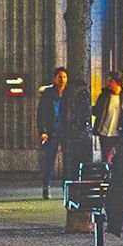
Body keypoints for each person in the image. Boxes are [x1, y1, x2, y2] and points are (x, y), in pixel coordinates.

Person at [37, 66, 72, 199]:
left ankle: (66, 189)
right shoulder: (48, 93)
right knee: (49, 160)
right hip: (52, 131)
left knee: (67, 162)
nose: (62, 80)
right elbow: (41, 114)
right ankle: (46, 187)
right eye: (59, 77)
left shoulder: (70, 93)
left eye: (64, 77)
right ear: (54, 79)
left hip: (66, 131)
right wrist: (43, 131)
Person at [93, 72, 123, 164]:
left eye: (110, 81)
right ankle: (106, 175)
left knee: (118, 157)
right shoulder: (104, 95)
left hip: (119, 133)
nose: (108, 83)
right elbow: (97, 111)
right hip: (104, 132)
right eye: (107, 81)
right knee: (105, 156)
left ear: (118, 82)